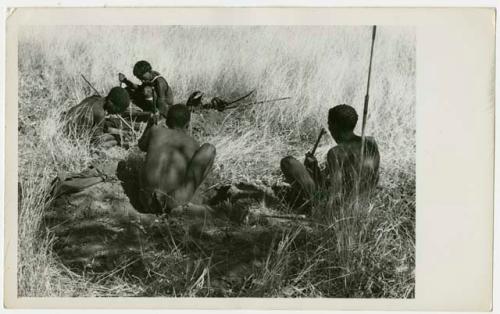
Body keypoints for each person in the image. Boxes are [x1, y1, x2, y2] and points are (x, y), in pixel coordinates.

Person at [280, 104, 380, 213]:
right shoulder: (371, 143)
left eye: (329, 124)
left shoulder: (335, 153)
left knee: (288, 162)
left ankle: (304, 203)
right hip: (364, 204)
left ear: (334, 126)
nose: (329, 128)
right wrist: (315, 169)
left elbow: (335, 193)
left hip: (340, 209)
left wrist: (314, 181)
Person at [137, 104, 217, 218]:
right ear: (187, 125)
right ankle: (189, 202)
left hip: (145, 198)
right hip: (172, 202)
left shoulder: (155, 131)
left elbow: (141, 145)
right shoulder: (193, 144)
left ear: (167, 121)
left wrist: (150, 126)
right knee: (209, 149)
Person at [64, 87, 131, 148]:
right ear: (110, 101)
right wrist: (119, 142)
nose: (116, 113)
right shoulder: (99, 113)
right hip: (72, 136)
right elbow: (97, 140)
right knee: (113, 140)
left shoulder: (95, 98)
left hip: (66, 122)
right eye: (117, 110)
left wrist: (121, 132)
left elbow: (99, 126)